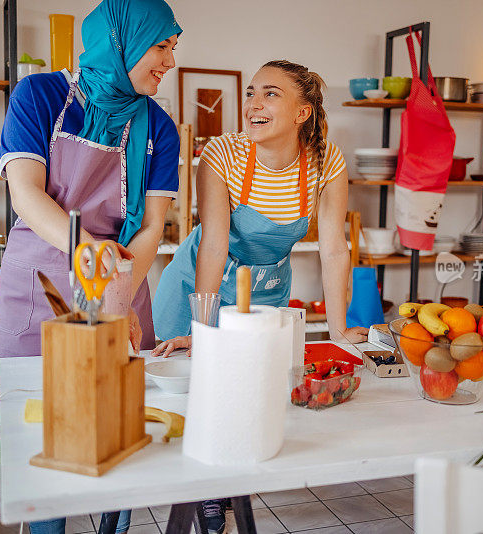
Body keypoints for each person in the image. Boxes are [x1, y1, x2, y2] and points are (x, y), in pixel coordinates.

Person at [151, 59, 368, 532]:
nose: (253, 103)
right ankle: (200, 497)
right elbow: (212, 244)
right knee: (192, 388)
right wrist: (202, 329)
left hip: (265, 285)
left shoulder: (325, 161)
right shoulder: (223, 154)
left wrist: (336, 328)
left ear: (303, 112)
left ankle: (233, 487)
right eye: (251, 92)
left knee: (246, 391)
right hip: (200, 282)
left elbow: (333, 248)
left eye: (270, 93)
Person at [0, 0, 181, 532]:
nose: (169, 60)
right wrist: (84, 253)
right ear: (120, 42)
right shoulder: (41, 96)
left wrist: (117, 288)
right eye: (160, 46)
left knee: (115, 436)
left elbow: (151, 229)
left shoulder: (158, 126)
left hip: (122, 282)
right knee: (44, 448)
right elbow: (26, 194)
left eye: (172, 47)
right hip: (42, 287)